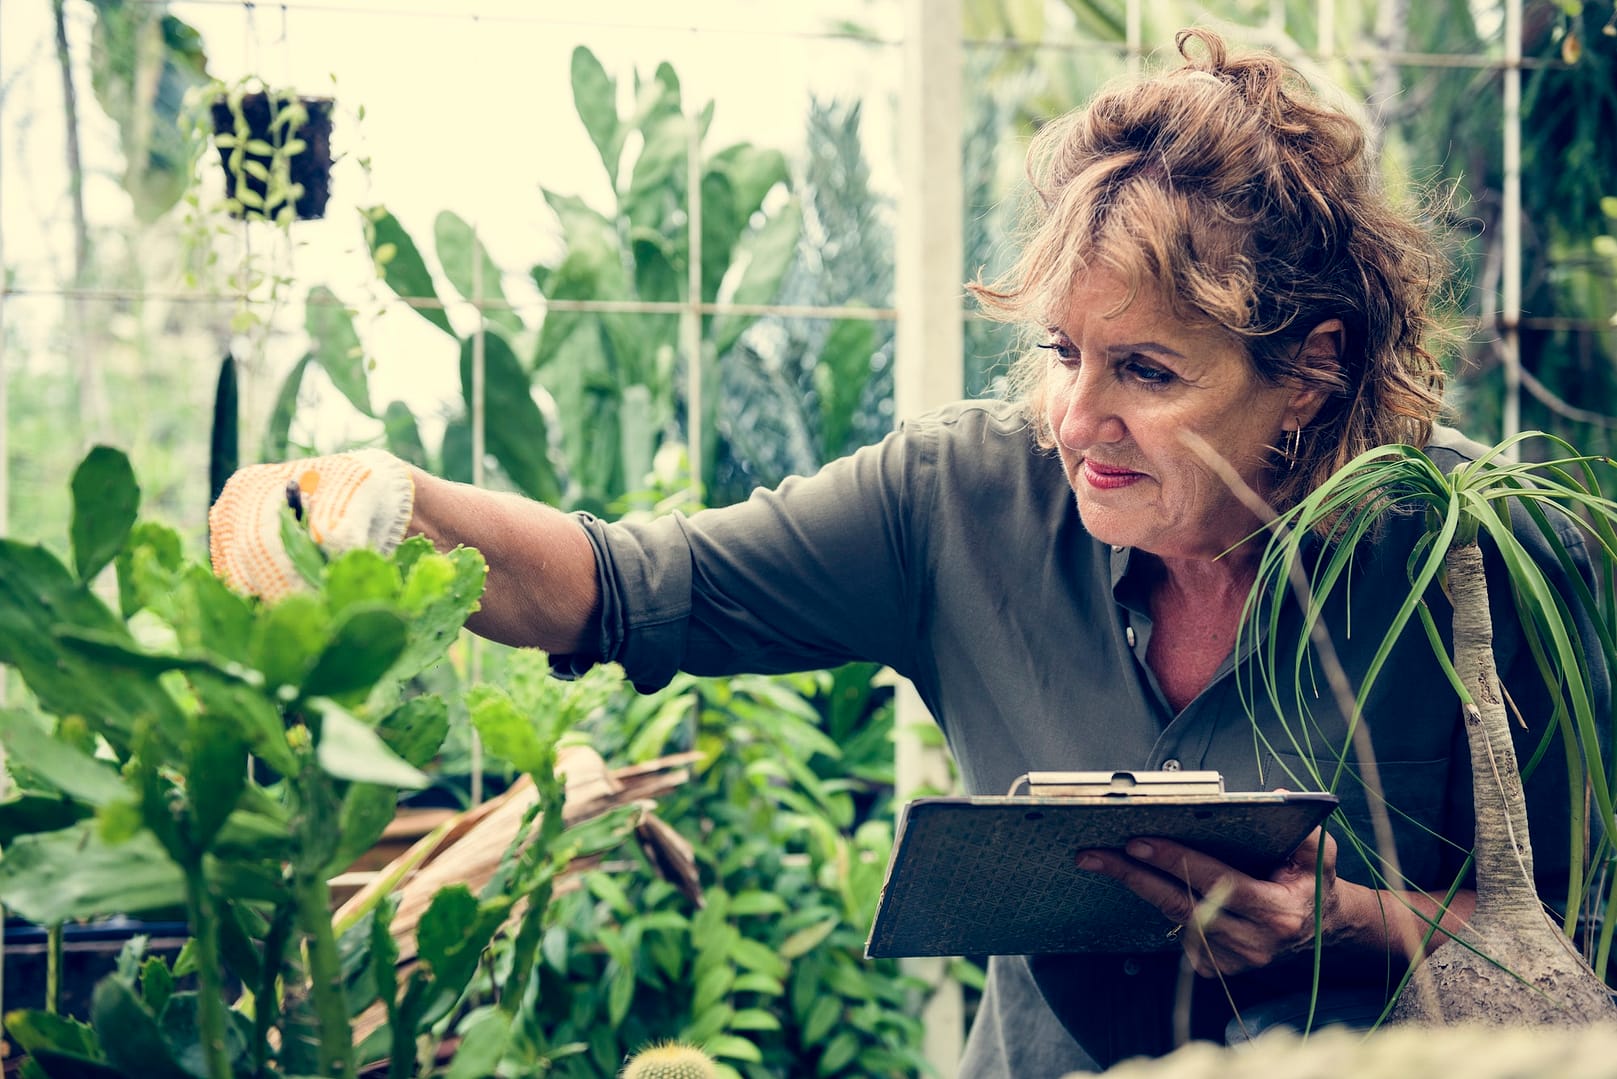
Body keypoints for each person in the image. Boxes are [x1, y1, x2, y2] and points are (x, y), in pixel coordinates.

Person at [210, 27, 1604, 1076]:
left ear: (1309, 370)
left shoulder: (1495, 562)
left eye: (1144, 371)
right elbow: (622, 584)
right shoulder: (961, 501)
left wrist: (1347, 922)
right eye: (1059, 352)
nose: (1073, 418)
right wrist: (378, 499)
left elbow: (1570, 938)